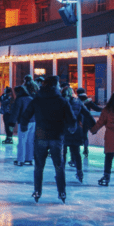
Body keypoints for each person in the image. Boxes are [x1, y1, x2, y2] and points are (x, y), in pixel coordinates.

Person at [18, 75, 76, 203]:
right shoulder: (62, 101)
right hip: (57, 137)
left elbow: (26, 115)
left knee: (39, 166)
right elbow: (71, 119)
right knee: (59, 166)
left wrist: (23, 126)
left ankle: (37, 190)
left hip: (41, 136)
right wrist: (72, 128)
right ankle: (62, 191)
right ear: (55, 86)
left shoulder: (38, 100)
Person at [62, 86, 95, 182]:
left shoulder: (60, 102)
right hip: (75, 129)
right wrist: (94, 126)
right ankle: (79, 172)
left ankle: (61, 173)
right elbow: (87, 114)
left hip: (63, 130)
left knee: (62, 153)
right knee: (76, 152)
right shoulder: (78, 102)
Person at [90, 92, 114, 186]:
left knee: (108, 159)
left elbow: (100, 122)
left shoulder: (107, 110)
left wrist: (93, 130)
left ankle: (106, 177)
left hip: (110, 137)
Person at [12, 86, 35, 166]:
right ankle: (29, 158)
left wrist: (12, 122)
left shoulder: (19, 100)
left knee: (22, 141)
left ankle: (20, 159)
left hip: (24, 122)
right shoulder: (31, 98)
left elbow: (16, 112)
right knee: (30, 141)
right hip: (33, 121)